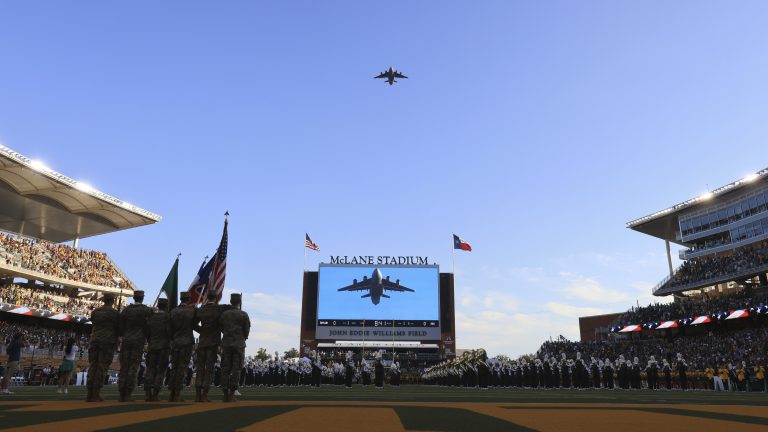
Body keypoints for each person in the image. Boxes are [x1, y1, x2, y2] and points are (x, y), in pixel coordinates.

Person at [193, 290, 229, 402]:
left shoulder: (201, 309)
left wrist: (203, 331)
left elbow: (194, 324)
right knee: (209, 369)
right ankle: (204, 395)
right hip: (213, 342)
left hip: (203, 341)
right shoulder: (219, 309)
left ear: (207, 297)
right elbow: (232, 307)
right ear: (216, 297)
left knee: (200, 368)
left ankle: (198, 395)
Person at [118, 290, 152, 402]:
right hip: (138, 341)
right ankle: (127, 393)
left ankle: (121, 393)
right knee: (133, 368)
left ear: (134, 297)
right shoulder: (146, 310)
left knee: (124, 367)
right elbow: (149, 326)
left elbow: (121, 326)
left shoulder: (126, 310)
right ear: (142, 298)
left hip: (126, 340)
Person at [86, 294, 119, 402]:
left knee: (93, 366)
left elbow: (94, 322)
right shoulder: (115, 313)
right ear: (112, 301)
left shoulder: (95, 312)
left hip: (94, 340)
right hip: (107, 342)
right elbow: (119, 329)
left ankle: (89, 393)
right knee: (102, 367)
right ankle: (96, 393)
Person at [220, 293, 250, 402]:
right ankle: (232, 394)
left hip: (226, 344)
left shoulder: (224, 314)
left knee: (225, 368)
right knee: (236, 369)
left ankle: (224, 394)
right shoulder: (243, 315)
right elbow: (246, 331)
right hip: (239, 344)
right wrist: (241, 337)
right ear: (240, 302)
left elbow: (222, 328)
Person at [168, 291, 196, 402]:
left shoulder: (173, 311)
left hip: (175, 342)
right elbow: (194, 324)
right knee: (182, 368)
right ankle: (177, 393)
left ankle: (171, 393)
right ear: (188, 299)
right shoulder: (191, 311)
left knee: (174, 367)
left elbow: (169, 328)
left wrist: (173, 337)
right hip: (186, 342)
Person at [144, 298, 171, 401]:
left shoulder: (152, 317)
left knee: (150, 369)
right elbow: (169, 331)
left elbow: (147, 331)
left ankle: (147, 393)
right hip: (163, 346)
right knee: (161, 370)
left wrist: (150, 340)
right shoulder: (167, 317)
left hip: (152, 346)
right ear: (166, 306)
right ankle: (155, 394)